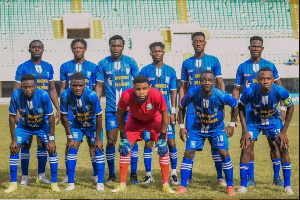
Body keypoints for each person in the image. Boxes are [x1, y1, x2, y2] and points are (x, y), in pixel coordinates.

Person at [232, 36, 285, 187]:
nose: (255, 48)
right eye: (253, 46)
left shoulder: (269, 66)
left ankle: (277, 177)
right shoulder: (242, 67)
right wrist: (236, 109)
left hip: (270, 112)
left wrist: (282, 107)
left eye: (258, 46)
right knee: (249, 145)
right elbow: (237, 89)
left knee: (274, 144)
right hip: (250, 113)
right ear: (249, 48)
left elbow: (279, 87)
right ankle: (250, 178)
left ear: (262, 48)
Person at [175, 70, 238, 196]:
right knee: (188, 152)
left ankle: (230, 186)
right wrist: (182, 127)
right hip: (197, 128)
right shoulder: (193, 93)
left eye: (209, 80)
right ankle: (183, 186)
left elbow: (235, 105)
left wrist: (231, 124)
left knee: (224, 152)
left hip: (216, 128)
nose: (206, 83)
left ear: (214, 82)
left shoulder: (220, 94)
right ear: (200, 81)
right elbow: (181, 106)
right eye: (204, 80)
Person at [112, 75, 175, 193]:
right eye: (138, 89)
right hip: (134, 121)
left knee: (163, 148)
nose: (141, 92)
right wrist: (123, 135)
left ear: (149, 87)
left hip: (154, 120)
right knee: (124, 148)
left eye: (144, 88)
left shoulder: (156, 94)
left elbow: (165, 114)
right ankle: (122, 184)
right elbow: (119, 114)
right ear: (133, 88)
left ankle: (165, 185)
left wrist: (162, 136)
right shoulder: (126, 95)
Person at [179, 32, 226, 185]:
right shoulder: (186, 63)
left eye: (200, 41)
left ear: (205, 43)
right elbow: (183, 86)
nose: (198, 43)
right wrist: (181, 104)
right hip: (192, 109)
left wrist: (222, 104)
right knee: (190, 143)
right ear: (192, 44)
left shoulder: (213, 61)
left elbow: (220, 83)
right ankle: (189, 177)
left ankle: (220, 176)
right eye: (195, 41)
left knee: (215, 143)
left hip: (212, 108)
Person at [237, 67, 294, 195]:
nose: (266, 81)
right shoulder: (250, 91)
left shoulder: (280, 91)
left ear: (273, 80)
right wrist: (244, 131)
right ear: (258, 80)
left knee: (282, 147)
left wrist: (284, 131)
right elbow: (241, 107)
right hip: (253, 120)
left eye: (268, 79)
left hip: (273, 120)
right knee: (246, 147)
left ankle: (287, 185)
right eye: (262, 79)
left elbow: (290, 107)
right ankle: (243, 185)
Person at [13, 40, 60, 186]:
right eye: (34, 47)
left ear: (43, 49)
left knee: (43, 144)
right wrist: (17, 112)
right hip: (26, 112)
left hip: (43, 113)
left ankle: (41, 175)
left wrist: (57, 108)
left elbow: (51, 89)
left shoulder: (48, 67)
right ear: (30, 49)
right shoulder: (22, 67)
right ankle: (25, 177)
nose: (37, 49)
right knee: (26, 144)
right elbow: (16, 90)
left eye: (39, 47)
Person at [95, 35, 140, 183]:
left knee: (131, 141)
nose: (116, 48)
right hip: (111, 110)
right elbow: (99, 86)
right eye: (113, 45)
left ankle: (133, 174)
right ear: (109, 46)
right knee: (111, 141)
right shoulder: (103, 64)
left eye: (118, 46)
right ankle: (112, 174)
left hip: (129, 110)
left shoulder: (130, 62)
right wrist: (96, 103)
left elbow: (138, 84)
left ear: (123, 47)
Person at [5, 74, 60, 193]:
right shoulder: (16, 95)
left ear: (35, 86)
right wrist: (13, 140)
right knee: (14, 148)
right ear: (22, 87)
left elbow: (51, 118)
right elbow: (11, 117)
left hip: (42, 125)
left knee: (52, 149)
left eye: (30, 87)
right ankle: (14, 182)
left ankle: (54, 182)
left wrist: (51, 139)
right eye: (25, 87)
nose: (28, 90)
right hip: (24, 126)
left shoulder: (43, 95)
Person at [59, 38, 100, 184]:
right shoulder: (65, 67)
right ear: (72, 49)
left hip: (89, 110)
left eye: (80, 48)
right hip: (71, 110)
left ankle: (96, 173)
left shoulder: (93, 67)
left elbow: (96, 89)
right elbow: (63, 89)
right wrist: (60, 109)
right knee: (71, 141)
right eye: (75, 48)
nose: (78, 50)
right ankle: (67, 174)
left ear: (85, 49)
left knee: (92, 141)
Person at [140, 42, 179, 185]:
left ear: (163, 52)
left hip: (166, 114)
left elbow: (173, 93)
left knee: (171, 142)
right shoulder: (144, 70)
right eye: (154, 51)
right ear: (151, 53)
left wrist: (173, 111)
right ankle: (148, 175)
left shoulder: (171, 71)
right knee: (149, 143)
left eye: (159, 51)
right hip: (149, 115)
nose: (157, 53)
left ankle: (174, 173)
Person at [60, 72, 105, 192]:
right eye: (75, 85)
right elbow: (63, 116)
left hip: (93, 125)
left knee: (98, 149)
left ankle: (99, 182)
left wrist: (98, 139)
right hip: (77, 125)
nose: (78, 88)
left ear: (85, 85)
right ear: (70, 85)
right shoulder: (65, 95)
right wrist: (70, 136)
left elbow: (99, 116)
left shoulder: (92, 95)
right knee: (71, 149)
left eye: (80, 85)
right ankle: (71, 183)